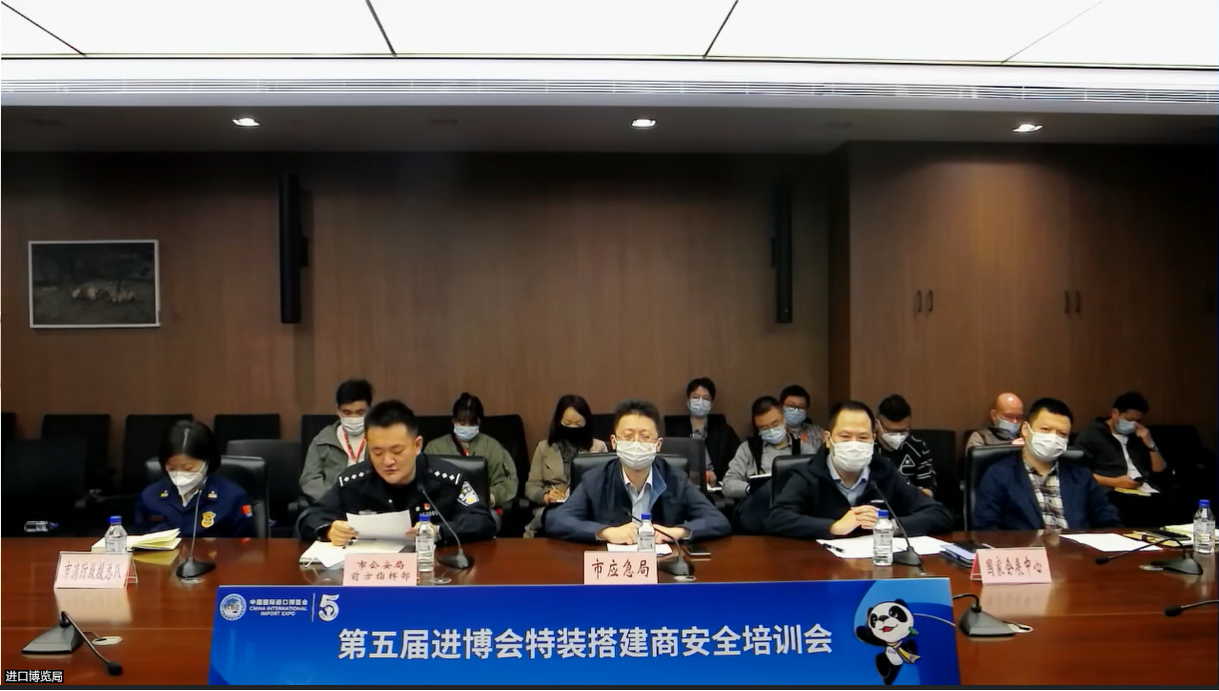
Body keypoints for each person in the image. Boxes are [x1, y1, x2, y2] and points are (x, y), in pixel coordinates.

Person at [301, 400, 497, 545]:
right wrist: (328, 531)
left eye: (397, 451)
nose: (387, 461)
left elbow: (483, 520)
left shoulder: (448, 479)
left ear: (417, 445)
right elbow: (310, 518)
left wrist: (439, 531)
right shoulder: (352, 482)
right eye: (377, 452)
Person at [544, 398, 730, 544]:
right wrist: (605, 533)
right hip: (612, 570)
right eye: (628, 436)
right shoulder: (595, 479)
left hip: (662, 567)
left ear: (658, 444)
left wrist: (676, 532)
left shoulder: (676, 479)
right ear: (614, 442)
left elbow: (717, 520)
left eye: (645, 437)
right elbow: (557, 520)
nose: (636, 443)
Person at [766, 401, 951, 540]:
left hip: (875, 567)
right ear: (828, 439)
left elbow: (939, 515)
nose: (854, 445)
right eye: (845, 436)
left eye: (863, 437)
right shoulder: (808, 474)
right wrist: (833, 527)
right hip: (819, 568)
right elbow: (776, 518)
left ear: (873, 439)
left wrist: (889, 525)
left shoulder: (884, 472)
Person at [974, 397, 1121, 531]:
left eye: (1062, 434)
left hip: (1077, 550)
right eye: (1045, 429)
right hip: (1026, 550)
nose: (1053, 438)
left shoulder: (1082, 476)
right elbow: (986, 528)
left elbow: (1109, 520)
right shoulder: (999, 474)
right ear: (1025, 430)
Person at [1076, 392, 1182, 527]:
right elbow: (1080, 473)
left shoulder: (1139, 435)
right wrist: (1116, 482)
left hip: (1146, 488)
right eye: (1129, 420)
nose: (1134, 425)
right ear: (1115, 413)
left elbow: (1160, 471)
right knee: (1130, 507)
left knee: (1177, 501)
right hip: (1114, 490)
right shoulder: (1091, 435)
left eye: (1138, 421)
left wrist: (1150, 444)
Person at [134, 420, 253, 537]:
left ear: (207, 462)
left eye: (188, 468)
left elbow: (246, 545)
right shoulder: (149, 497)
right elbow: (138, 541)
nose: (179, 474)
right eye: (172, 468)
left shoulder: (233, 498)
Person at [522, 394, 607, 538]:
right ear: (558, 421)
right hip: (551, 508)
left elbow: (605, 486)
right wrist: (545, 496)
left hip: (586, 509)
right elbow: (531, 486)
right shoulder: (544, 448)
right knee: (553, 518)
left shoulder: (598, 447)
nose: (573, 428)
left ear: (586, 423)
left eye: (578, 424)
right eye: (567, 423)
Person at [423, 392, 518, 510]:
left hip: (483, 509)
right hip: (445, 509)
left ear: (479, 423)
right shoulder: (434, 448)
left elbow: (507, 482)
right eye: (462, 423)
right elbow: (424, 482)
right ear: (453, 421)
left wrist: (490, 497)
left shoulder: (493, 447)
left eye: (472, 423)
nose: (466, 427)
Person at [300, 378, 374, 504]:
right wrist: (333, 499)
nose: (353, 418)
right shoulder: (322, 441)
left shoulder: (380, 439)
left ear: (370, 410)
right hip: (333, 505)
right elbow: (309, 479)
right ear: (338, 410)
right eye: (347, 412)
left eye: (360, 412)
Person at [722, 396, 811, 500]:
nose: (771, 430)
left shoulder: (805, 450)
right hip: (760, 505)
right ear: (758, 429)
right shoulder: (747, 449)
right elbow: (727, 484)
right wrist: (753, 489)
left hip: (795, 503)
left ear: (784, 419)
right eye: (764, 428)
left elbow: (818, 481)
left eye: (775, 424)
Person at [664, 377, 741, 485]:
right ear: (688, 401)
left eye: (705, 398)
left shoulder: (724, 431)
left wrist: (717, 475)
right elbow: (670, 465)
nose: (700, 402)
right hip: (686, 485)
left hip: (718, 485)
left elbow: (737, 462)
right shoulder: (675, 430)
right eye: (695, 397)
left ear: (711, 404)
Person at [875, 394, 936, 497]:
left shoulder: (919, 448)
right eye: (892, 431)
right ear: (877, 424)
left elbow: (929, 490)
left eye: (903, 430)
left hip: (912, 504)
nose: (898, 436)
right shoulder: (867, 448)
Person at [779, 384, 825, 455]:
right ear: (781, 406)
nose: (796, 410)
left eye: (801, 407)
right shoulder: (774, 433)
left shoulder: (818, 433)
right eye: (791, 406)